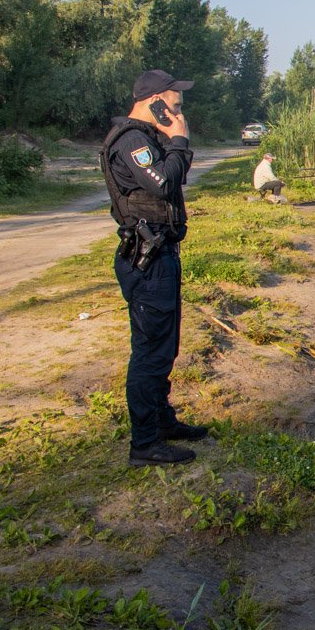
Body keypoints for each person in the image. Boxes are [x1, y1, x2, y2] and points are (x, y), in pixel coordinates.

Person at [101, 69, 209, 466]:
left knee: (164, 347)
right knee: (149, 352)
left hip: (159, 254)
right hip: (147, 261)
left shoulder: (143, 139)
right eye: (175, 104)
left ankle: (162, 422)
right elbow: (164, 183)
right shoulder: (132, 141)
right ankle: (145, 444)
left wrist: (174, 141)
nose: (181, 112)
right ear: (155, 103)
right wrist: (180, 139)